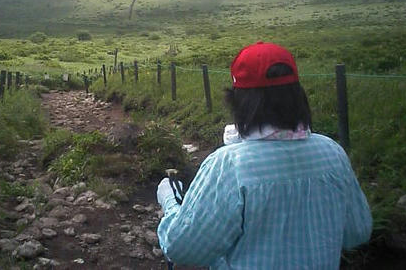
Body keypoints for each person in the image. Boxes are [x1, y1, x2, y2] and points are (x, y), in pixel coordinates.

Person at [156, 41, 372, 269]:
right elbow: (357, 232)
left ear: (240, 101)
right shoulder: (332, 153)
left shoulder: (229, 164)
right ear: (298, 96)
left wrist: (170, 201)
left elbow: (182, 249)